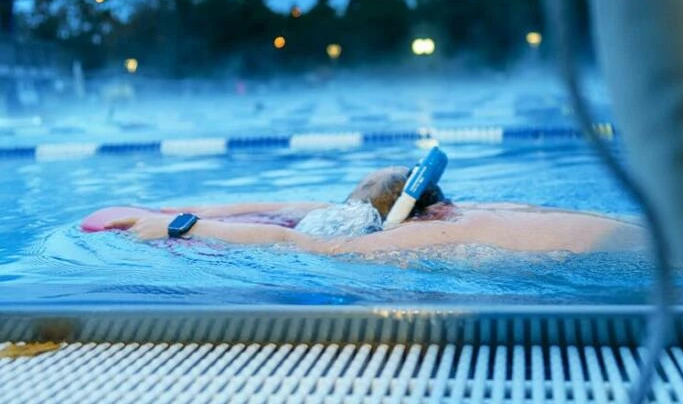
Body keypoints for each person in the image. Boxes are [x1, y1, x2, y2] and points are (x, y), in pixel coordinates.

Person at [100, 166, 648, 255]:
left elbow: (303, 242)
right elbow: (284, 209)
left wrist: (186, 225)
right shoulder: (459, 211)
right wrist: (170, 206)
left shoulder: (424, 239)